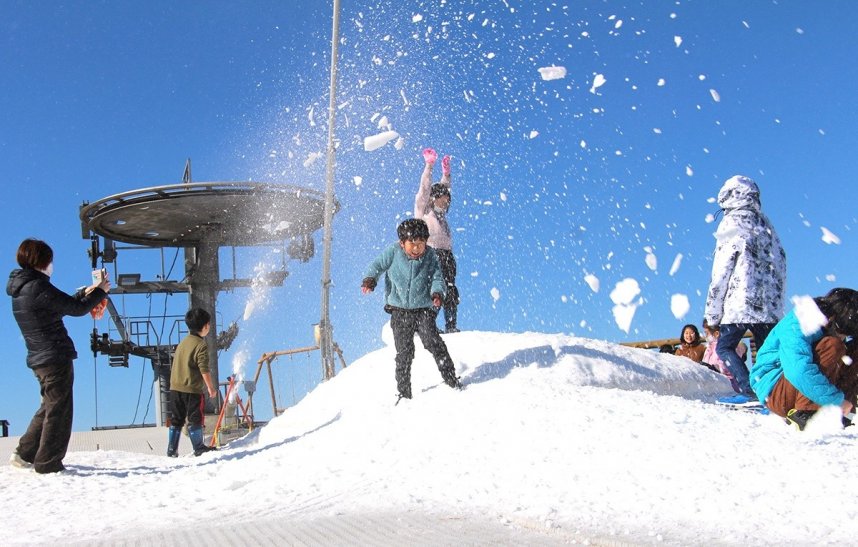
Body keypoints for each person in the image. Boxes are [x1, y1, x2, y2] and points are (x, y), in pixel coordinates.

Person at [6, 238, 110, 473]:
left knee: (50, 405)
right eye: (50, 260)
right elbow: (76, 309)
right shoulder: (37, 287)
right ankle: (48, 462)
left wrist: (86, 292)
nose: (52, 265)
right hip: (54, 356)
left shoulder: (23, 288)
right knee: (59, 411)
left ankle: (24, 453)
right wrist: (100, 292)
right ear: (41, 261)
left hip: (39, 357)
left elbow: (63, 304)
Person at [704, 175, 786, 405]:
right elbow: (781, 262)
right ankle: (774, 395)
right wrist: (777, 302)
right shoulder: (767, 225)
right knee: (769, 352)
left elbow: (721, 270)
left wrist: (712, 313)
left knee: (725, 347)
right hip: (769, 306)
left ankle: (750, 390)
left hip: (740, 302)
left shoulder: (731, 222)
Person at [361, 218, 462, 402]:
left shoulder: (430, 256)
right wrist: (370, 279)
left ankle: (451, 379)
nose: (416, 248)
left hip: (424, 309)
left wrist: (437, 293)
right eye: (412, 244)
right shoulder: (393, 252)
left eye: (420, 244)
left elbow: (438, 278)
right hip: (399, 311)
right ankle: (404, 393)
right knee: (404, 352)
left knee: (433, 342)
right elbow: (377, 266)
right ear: (402, 243)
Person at [750, 288, 858, 430]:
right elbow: (797, 370)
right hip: (775, 390)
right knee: (833, 345)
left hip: (801, 388)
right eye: (842, 332)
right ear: (832, 319)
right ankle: (805, 413)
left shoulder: (827, 325)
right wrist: (835, 400)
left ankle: (842, 415)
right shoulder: (798, 322)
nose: (843, 337)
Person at [414, 148, 460, 333]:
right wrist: (429, 166)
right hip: (431, 254)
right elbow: (425, 189)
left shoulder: (442, 218)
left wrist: (446, 174)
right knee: (433, 290)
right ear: (433, 200)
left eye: (447, 200)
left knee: (450, 290)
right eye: (442, 199)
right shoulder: (424, 211)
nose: (445, 203)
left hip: (447, 256)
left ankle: (451, 326)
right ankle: (426, 325)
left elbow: (444, 187)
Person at [167, 307, 218, 457]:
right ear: (205, 326)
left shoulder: (183, 343)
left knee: (176, 419)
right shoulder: (200, 345)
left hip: (175, 387)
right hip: (192, 390)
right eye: (209, 324)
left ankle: (171, 449)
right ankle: (199, 447)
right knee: (195, 418)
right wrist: (210, 387)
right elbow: (204, 369)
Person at [701, 319, 747, 393]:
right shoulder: (709, 348)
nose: (705, 336)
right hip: (714, 381)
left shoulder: (727, 347)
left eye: (707, 333)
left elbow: (729, 364)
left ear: (716, 334)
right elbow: (705, 361)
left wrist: (715, 368)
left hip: (729, 383)